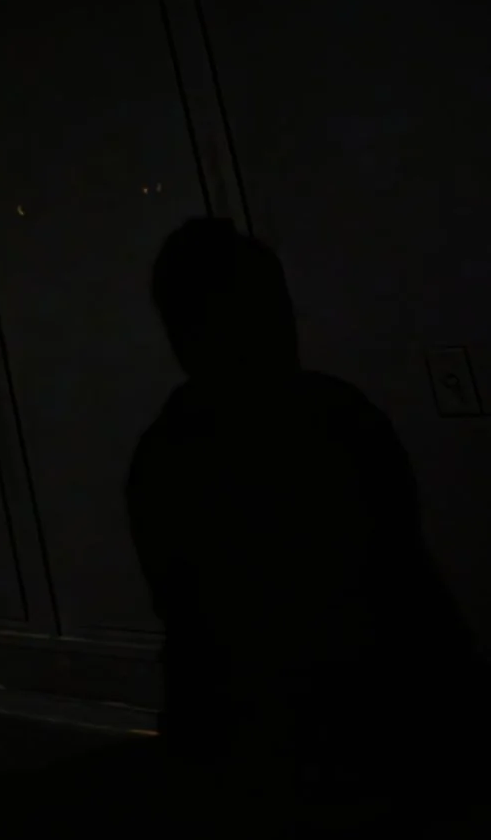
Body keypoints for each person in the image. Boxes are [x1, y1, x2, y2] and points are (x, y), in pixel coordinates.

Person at [125, 218, 483, 828]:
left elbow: (190, 613)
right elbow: (404, 571)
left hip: (255, 744)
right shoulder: (337, 416)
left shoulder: (168, 454)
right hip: (373, 725)